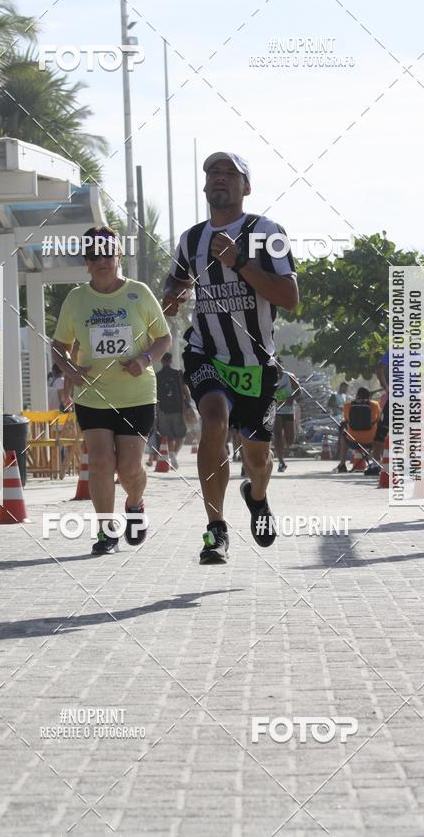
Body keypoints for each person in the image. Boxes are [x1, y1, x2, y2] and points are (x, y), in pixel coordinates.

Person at [162, 151, 298, 564]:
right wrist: (170, 298)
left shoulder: (267, 232)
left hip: (256, 363)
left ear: (246, 187)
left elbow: (289, 298)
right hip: (206, 352)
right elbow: (172, 290)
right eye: (212, 173)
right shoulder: (191, 239)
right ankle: (215, 529)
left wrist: (239, 262)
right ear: (205, 187)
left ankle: (256, 497)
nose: (219, 178)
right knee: (215, 422)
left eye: (230, 173)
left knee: (258, 458)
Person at [51, 226, 171, 555]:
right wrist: (69, 370)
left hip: (136, 395)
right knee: (101, 462)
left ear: (118, 256)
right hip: (93, 395)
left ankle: (135, 504)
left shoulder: (140, 293)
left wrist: (145, 359)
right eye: (93, 256)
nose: (101, 261)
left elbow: (164, 338)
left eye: (107, 254)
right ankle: (106, 531)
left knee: (129, 467)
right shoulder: (77, 299)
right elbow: (59, 346)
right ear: (86, 262)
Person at [156, 352, 192, 468]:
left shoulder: (157, 375)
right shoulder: (177, 374)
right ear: (171, 361)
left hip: (163, 410)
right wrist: (188, 402)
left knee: (168, 436)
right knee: (181, 435)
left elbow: (154, 394)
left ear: (161, 361)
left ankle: (172, 455)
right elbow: (185, 390)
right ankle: (174, 455)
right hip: (177, 409)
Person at [335, 387, 381, 472]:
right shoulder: (375, 404)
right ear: (369, 396)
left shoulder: (348, 405)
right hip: (371, 441)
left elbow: (346, 419)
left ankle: (342, 464)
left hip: (353, 441)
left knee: (343, 435)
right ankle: (376, 463)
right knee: (381, 435)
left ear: (357, 396)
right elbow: (378, 419)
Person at [274, 359, 301, 472]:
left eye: (279, 366)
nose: (278, 368)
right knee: (277, 436)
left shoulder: (289, 376)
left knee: (290, 440)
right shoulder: (268, 377)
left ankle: (281, 450)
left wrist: (291, 398)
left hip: (288, 410)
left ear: (282, 366)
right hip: (275, 411)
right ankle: (281, 461)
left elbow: (299, 391)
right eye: (275, 366)